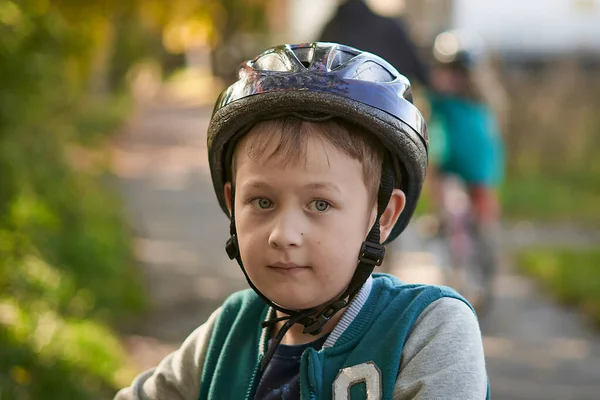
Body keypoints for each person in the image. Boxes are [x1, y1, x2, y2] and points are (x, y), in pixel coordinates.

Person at [114, 42, 489, 400]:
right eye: (262, 201)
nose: (284, 235)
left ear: (383, 215)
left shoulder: (426, 330)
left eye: (320, 205)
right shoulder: (226, 335)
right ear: (232, 204)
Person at [426, 30, 507, 309]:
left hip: (468, 167)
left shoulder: (448, 99)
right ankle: (473, 251)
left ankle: (483, 262)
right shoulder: (483, 99)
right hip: (468, 166)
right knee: (466, 210)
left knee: (478, 217)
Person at [319, 0, 430, 87]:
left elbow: (318, 66)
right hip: (385, 102)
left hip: (338, 104)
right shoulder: (389, 25)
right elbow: (418, 68)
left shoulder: (330, 29)